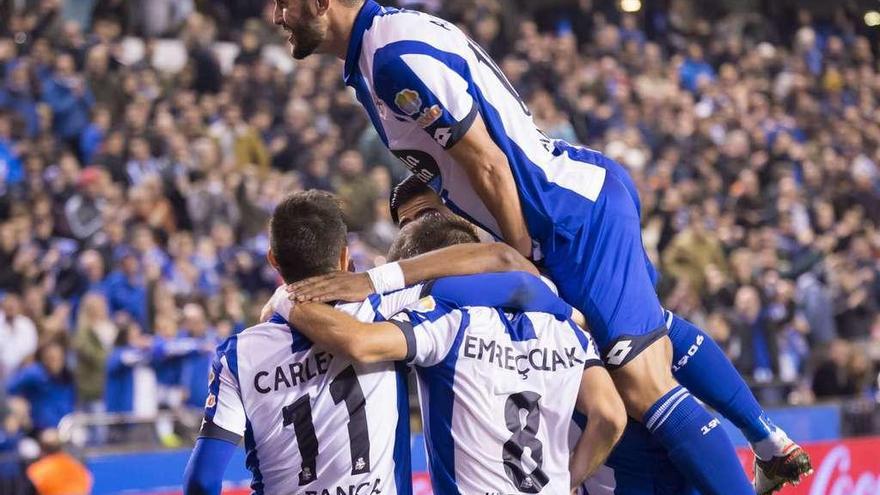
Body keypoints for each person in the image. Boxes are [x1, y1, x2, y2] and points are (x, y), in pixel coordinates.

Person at [272, 2, 810, 493]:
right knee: (653, 332)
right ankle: (766, 442)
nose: (276, 15)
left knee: (642, 383)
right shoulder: (380, 51)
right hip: (570, 209)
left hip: (569, 221)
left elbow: (488, 163)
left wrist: (521, 260)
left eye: (283, 2)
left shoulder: (391, 59)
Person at [182, 191, 586, 495]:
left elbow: (202, 480)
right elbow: (508, 268)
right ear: (345, 259)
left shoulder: (237, 355)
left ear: (273, 260)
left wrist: (288, 298)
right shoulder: (388, 306)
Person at [273, 211, 626, 493]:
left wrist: (288, 299)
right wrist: (570, 481)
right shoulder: (565, 328)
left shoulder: (447, 321)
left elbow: (360, 343)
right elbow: (610, 416)